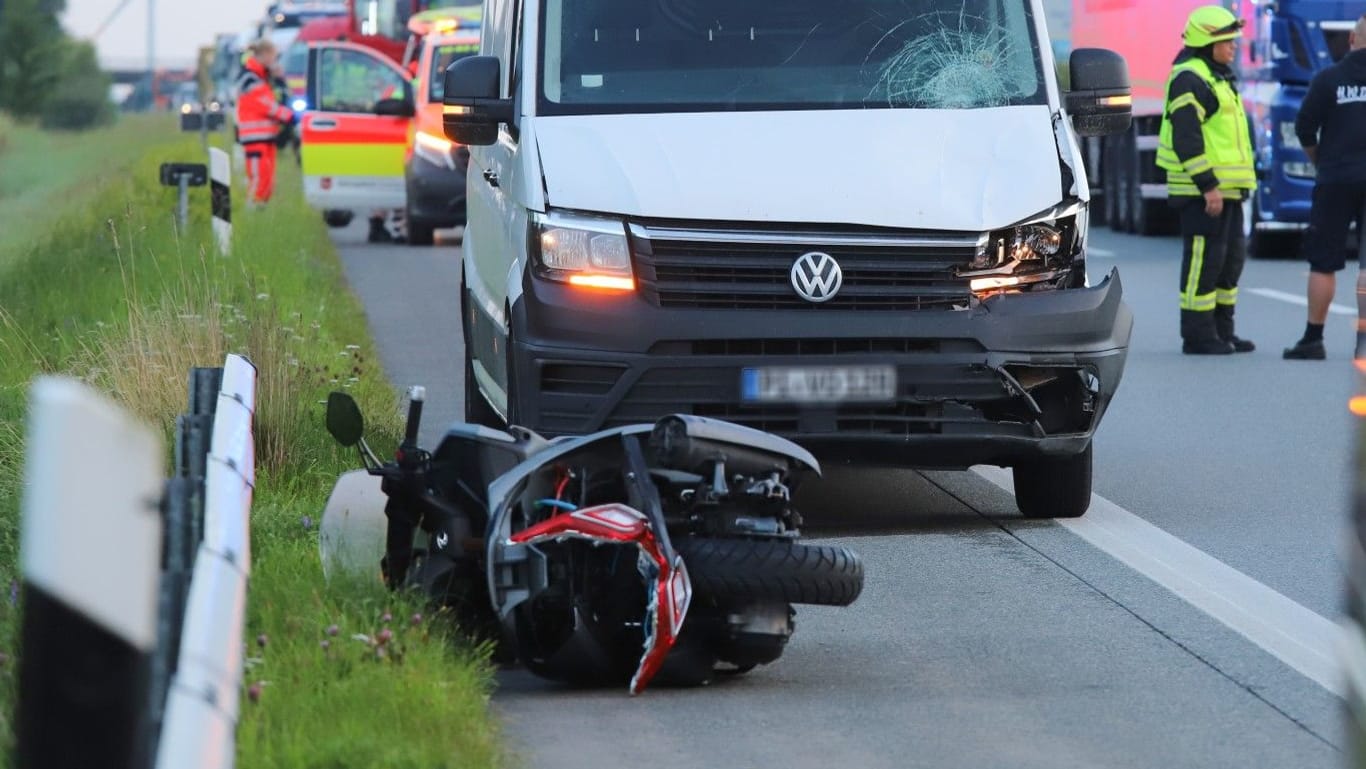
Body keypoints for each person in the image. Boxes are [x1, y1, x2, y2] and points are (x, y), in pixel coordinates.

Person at [1155, 5, 1258, 355]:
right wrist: (1208, 186)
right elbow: (1187, 138)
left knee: (1230, 263)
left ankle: (1222, 331)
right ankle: (1198, 335)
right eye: (1227, 41)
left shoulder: (1217, 76)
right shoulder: (1190, 77)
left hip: (1226, 191)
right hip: (1202, 192)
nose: (1233, 47)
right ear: (1206, 41)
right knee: (1204, 262)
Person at [1282, 13, 1366, 360]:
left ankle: (1313, 339)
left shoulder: (1328, 79)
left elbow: (1304, 128)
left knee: (1323, 262)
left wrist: (1322, 162)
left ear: (1352, 40)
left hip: (1334, 179)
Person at [234, 40, 296, 206]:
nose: (275, 61)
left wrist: (278, 79)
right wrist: (291, 116)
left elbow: (279, 97)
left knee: (267, 182)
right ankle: (251, 215)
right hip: (255, 138)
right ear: (264, 55)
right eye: (273, 57)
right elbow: (266, 105)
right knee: (258, 180)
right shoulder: (250, 78)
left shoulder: (262, 77)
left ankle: (260, 215)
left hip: (266, 137)